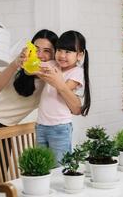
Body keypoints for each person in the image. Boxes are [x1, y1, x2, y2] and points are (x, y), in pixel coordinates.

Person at [36, 30, 91, 163]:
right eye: (59, 50)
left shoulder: (77, 72)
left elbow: (63, 89)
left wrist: (50, 74)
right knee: (43, 165)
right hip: (41, 125)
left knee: (60, 165)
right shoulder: (53, 65)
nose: (62, 55)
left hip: (59, 127)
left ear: (80, 55)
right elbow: (34, 68)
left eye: (68, 52)